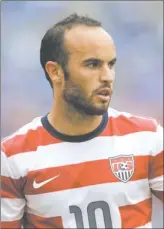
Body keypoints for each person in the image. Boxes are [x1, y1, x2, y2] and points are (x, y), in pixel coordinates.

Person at [1, 13, 163, 229]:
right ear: (55, 71)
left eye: (111, 64)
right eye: (92, 64)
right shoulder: (13, 155)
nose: (108, 76)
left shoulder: (147, 137)